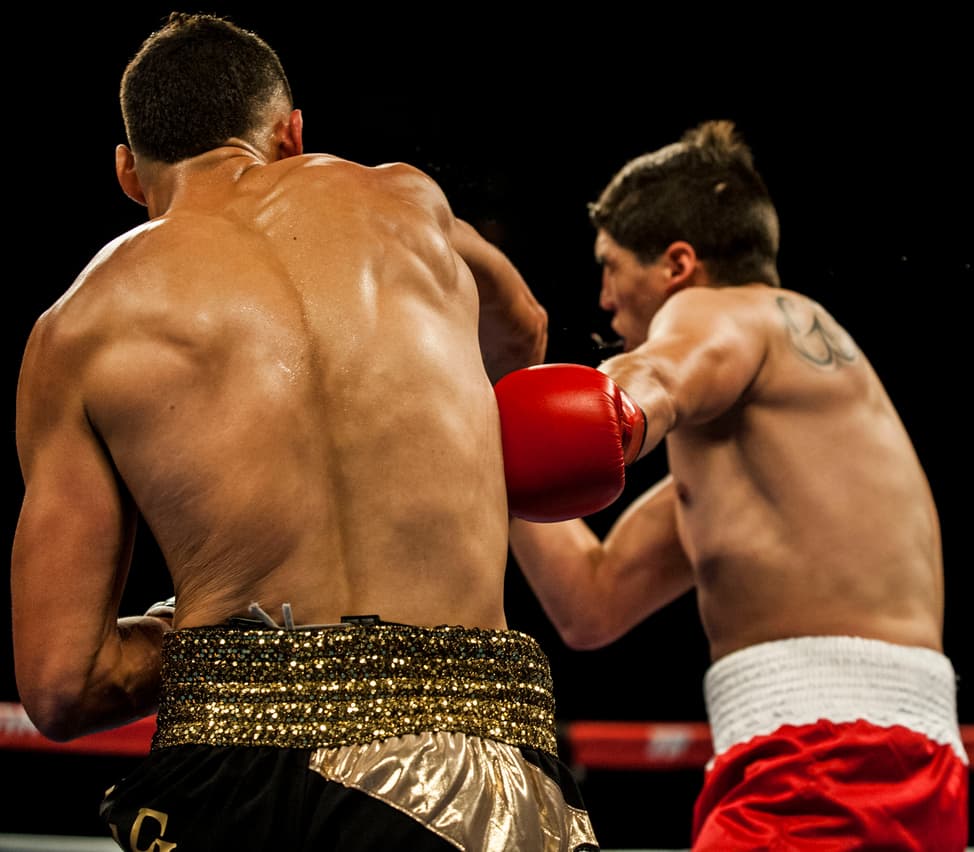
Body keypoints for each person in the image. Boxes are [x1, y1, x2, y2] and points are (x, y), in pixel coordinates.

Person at [11, 12, 601, 851]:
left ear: (128, 173)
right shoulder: (407, 201)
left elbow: (63, 685)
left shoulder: (77, 326)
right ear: (291, 135)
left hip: (234, 779)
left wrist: (224, 640)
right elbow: (523, 327)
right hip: (471, 779)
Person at [500, 120, 969, 850]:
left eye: (611, 266)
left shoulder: (726, 309)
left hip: (823, 760)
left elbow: (656, 380)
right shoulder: (777, 457)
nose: (604, 299)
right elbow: (593, 603)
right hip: (901, 764)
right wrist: (480, 429)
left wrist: (592, 406)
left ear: (677, 265)